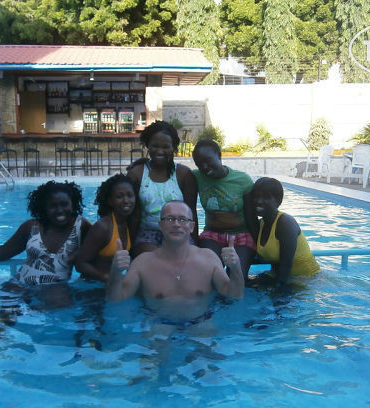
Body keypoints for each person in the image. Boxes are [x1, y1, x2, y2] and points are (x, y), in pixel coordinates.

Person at [107, 200, 244, 318]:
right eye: (170, 219)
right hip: (158, 322)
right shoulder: (143, 263)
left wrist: (235, 267)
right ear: (160, 225)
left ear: (192, 226)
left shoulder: (209, 259)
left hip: (200, 321)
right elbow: (116, 299)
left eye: (183, 219)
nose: (176, 224)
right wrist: (116, 271)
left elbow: (234, 295)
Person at [0, 181, 91, 286]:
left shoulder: (81, 226)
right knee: (2, 320)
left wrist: (78, 255)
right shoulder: (31, 227)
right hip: (19, 285)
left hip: (55, 289)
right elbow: (2, 252)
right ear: (44, 208)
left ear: (73, 204)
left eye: (64, 204)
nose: (59, 210)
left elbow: (97, 250)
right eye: (53, 206)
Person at [127, 120, 198, 256]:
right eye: (155, 146)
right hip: (148, 233)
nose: (160, 151)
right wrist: (128, 246)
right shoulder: (137, 173)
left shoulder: (183, 174)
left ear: (174, 147)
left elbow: (192, 212)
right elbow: (133, 215)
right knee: (153, 260)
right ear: (147, 145)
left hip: (179, 231)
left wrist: (196, 245)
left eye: (166, 147)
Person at [192, 139, 257, 277]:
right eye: (199, 164)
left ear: (219, 155)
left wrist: (260, 244)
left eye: (207, 160)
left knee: (237, 276)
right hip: (212, 235)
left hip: (241, 235)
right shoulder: (196, 177)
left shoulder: (242, 180)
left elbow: (251, 216)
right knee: (210, 274)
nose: (204, 167)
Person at [251, 177, 320, 284]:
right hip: (284, 277)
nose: (259, 201)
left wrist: (276, 290)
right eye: (256, 196)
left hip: (308, 281)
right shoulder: (261, 224)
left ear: (278, 201)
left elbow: (286, 266)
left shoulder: (285, 223)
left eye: (266, 197)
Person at [75, 174, 136, 283]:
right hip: (91, 286)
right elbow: (80, 264)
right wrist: (104, 277)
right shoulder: (103, 227)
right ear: (110, 201)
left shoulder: (129, 223)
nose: (126, 200)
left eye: (130, 195)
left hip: (110, 284)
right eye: (119, 196)